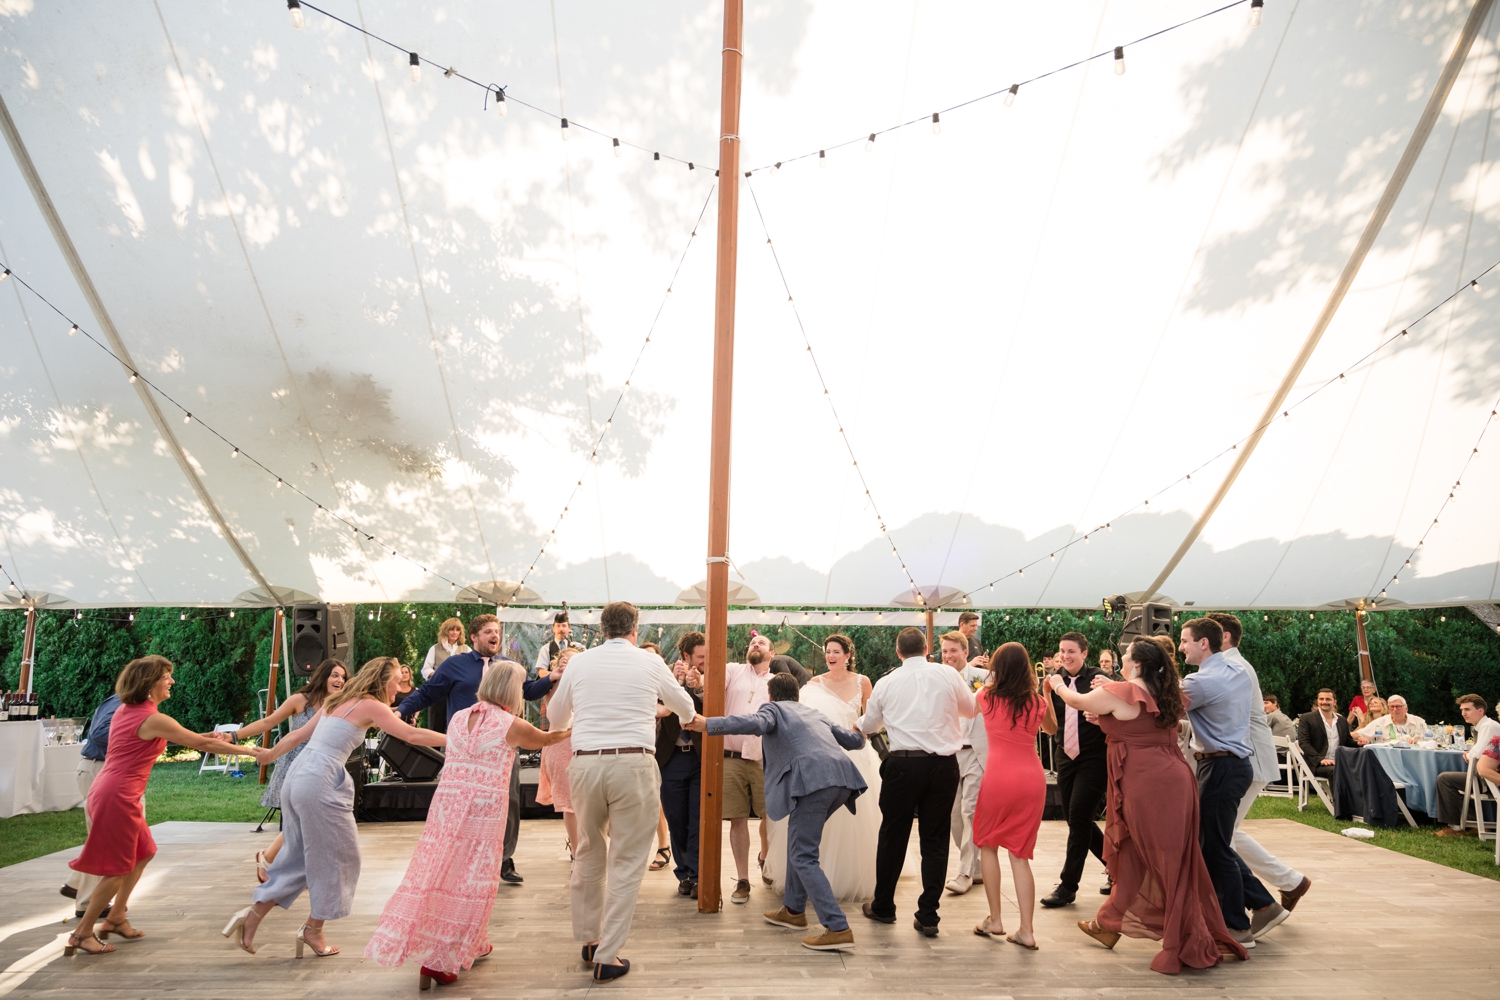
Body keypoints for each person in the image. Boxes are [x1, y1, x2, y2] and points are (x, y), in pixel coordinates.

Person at [224, 657, 447, 958]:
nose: (400, 685)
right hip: (320, 779)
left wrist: (270, 755)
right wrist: (457, 739)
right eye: (396, 679)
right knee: (342, 858)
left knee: (299, 856)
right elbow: (411, 735)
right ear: (383, 681)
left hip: (299, 777)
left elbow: (296, 735)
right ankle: (312, 929)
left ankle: (254, 916)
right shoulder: (370, 705)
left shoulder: (339, 700)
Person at [365, 660, 569, 989]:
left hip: (448, 803)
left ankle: (470, 942)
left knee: (442, 870)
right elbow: (545, 739)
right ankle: (441, 961)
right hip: (483, 809)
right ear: (510, 691)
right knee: (471, 878)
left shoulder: (460, 716)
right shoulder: (510, 723)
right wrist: (575, 728)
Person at [1048, 638, 1247, 973]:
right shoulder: (1163, 691)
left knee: (1162, 860)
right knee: (1143, 853)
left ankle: (1184, 938)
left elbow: (1076, 699)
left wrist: (1055, 684)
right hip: (1171, 777)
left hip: (1149, 783)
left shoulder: (1124, 691)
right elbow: (1140, 724)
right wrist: (1107, 723)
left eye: (1125, 656)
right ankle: (1109, 923)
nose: (1121, 660)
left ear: (1137, 664)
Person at [66, 657, 271, 957]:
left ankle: (116, 916)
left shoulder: (131, 711)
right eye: (166, 676)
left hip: (114, 790)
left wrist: (204, 737)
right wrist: (251, 751)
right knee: (117, 868)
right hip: (118, 796)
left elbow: (186, 739)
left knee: (144, 852)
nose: (171, 681)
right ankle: (82, 933)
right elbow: (204, 747)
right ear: (149, 683)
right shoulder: (151, 718)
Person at [546, 601, 695, 982]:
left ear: (601, 628)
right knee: (627, 860)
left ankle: (590, 940)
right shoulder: (649, 662)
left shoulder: (579, 663)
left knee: (588, 850)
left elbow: (555, 718)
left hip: (585, 762)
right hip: (633, 763)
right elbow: (685, 708)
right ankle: (608, 956)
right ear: (635, 629)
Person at [687, 672, 867, 952]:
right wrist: (861, 729)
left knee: (803, 855)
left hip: (812, 783)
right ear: (796, 694)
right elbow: (853, 741)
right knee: (799, 846)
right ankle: (793, 912)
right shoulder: (813, 713)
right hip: (841, 780)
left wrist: (708, 724)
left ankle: (837, 927)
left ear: (770, 696)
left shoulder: (772, 709)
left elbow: (753, 723)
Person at [399, 614, 550, 886]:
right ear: (474, 637)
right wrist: (400, 710)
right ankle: (454, 857)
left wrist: (554, 678)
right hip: (465, 749)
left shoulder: (509, 665)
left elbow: (529, 691)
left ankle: (503, 858)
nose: (495, 636)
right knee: (459, 801)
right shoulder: (454, 665)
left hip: (501, 745)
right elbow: (426, 693)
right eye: (488, 632)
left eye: (497, 632)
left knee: (509, 800)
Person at [857, 627, 976, 936]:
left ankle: (883, 906)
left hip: (903, 766)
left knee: (893, 835)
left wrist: (855, 724)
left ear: (899, 653)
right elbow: (970, 710)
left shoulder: (886, 682)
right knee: (935, 839)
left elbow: (869, 725)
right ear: (927, 650)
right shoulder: (948, 676)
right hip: (943, 766)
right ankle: (928, 914)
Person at [1206, 612, 1310, 932]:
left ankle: (1268, 898)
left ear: (1224, 637)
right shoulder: (1231, 665)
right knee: (1226, 834)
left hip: (1247, 760)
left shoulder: (1233, 666)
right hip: (1247, 758)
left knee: (1221, 837)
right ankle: (1287, 884)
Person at [765, 633, 883, 901]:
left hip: (856, 755)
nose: (831, 656)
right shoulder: (814, 685)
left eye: (836, 652)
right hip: (822, 758)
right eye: (828, 651)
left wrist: (861, 730)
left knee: (858, 822)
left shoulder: (863, 682)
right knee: (819, 824)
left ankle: (852, 876)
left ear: (848, 656)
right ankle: (815, 876)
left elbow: (873, 717)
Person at [1179, 617, 1272, 948]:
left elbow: (1161, 707)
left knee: (1216, 847)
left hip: (1219, 767)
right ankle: (1258, 906)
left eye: (1185, 640)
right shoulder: (1236, 671)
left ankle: (1237, 927)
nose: (1180, 646)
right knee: (1216, 844)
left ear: (1204, 643)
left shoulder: (1202, 681)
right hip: (1234, 766)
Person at [228, 658, 348, 882]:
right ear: (323, 676)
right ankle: (282, 869)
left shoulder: (342, 704)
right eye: (335, 675)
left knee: (311, 821)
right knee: (295, 821)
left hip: (322, 768)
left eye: (342, 676)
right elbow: (267, 723)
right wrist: (233, 736)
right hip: (294, 762)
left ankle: (277, 862)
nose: (340, 680)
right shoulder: (300, 700)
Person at [972, 643, 1057, 949]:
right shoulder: (1035, 702)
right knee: (1020, 856)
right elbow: (1051, 729)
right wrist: (1045, 693)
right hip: (1031, 779)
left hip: (998, 777)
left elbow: (964, 709)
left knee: (987, 844)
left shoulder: (985, 696)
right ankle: (1027, 930)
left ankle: (995, 919)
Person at [1040, 632, 1109, 908]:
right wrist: (1046, 693)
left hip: (1094, 756)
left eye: (1071, 651)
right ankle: (1119, 868)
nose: (1065, 656)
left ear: (1084, 653)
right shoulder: (1053, 680)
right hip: (1065, 756)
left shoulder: (1097, 678)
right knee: (1076, 820)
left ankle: (1068, 886)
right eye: (1062, 651)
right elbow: (1051, 728)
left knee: (1079, 817)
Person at [59, 690, 122, 919]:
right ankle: (86, 903)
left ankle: (76, 883)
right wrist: (139, 735)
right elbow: (98, 734)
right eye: (164, 676)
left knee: (105, 836)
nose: (171, 681)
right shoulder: (120, 701)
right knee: (106, 838)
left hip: (102, 770)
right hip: (99, 768)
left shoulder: (129, 703)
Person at [656, 632, 706, 898]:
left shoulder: (710, 677)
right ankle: (684, 873)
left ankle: (698, 876)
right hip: (671, 756)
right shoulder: (664, 673)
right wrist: (675, 684)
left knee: (698, 820)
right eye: (701, 657)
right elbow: (657, 709)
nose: (705, 661)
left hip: (699, 758)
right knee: (676, 819)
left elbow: (713, 711)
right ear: (687, 656)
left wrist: (698, 688)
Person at [939, 631, 989, 895]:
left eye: (953, 651)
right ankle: (976, 866)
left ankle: (965, 872)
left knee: (970, 812)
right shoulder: (937, 680)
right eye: (945, 651)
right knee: (954, 816)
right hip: (949, 754)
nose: (948, 656)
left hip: (978, 753)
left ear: (965, 652)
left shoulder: (984, 678)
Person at [536, 647, 582, 858]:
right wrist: (558, 676)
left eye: (573, 661)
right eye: (564, 661)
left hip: (584, 744)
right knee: (569, 803)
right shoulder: (551, 685)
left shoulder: (586, 682)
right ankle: (576, 850)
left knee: (587, 800)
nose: (569, 664)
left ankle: (584, 844)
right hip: (559, 744)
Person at [1435, 695, 1500, 835]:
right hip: (1486, 776)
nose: (1463, 713)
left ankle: (1456, 827)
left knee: (1445, 779)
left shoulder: (1489, 726)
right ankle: (1474, 823)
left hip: (1490, 778)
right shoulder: (1480, 727)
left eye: (1467, 709)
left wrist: (1468, 754)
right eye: (1462, 710)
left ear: (1480, 711)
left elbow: (1477, 754)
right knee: (1452, 780)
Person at [420, 618, 470, 735]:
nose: (454, 632)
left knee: (458, 728)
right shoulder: (435, 648)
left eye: (457, 630)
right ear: (445, 631)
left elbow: (470, 669)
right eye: (451, 629)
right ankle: (433, 753)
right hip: (438, 693)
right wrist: (437, 675)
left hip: (458, 694)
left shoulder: (466, 649)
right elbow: (425, 669)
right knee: (435, 727)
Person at [1296, 688, 1358, 779]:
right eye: (1321, 699)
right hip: (1316, 764)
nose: (1324, 702)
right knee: (1336, 770)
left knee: (1362, 768)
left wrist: (1358, 743)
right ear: (1317, 701)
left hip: (1339, 761)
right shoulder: (1307, 718)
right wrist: (1321, 759)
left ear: (1334, 702)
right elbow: (1304, 743)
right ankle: (1337, 794)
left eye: (1328, 699)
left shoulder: (1341, 721)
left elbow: (1347, 742)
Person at [1353, 694, 1426, 742]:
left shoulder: (1419, 722)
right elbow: (1358, 734)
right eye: (1391, 707)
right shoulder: (1380, 722)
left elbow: (1430, 740)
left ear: (1406, 708)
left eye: (1398, 706)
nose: (1394, 709)